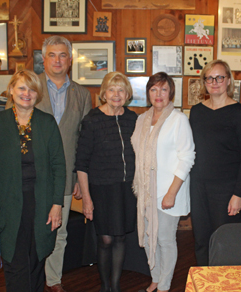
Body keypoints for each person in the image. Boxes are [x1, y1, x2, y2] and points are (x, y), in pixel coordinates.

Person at [0, 70, 66, 291]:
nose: (27, 93)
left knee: (36, 259)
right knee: (14, 260)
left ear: (38, 94)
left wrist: (56, 204)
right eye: (21, 88)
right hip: (7, 203)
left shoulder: (47, 122)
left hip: (40, 202)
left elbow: (58, 166)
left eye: (32, 89)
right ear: (11, 90)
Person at [36, 36, 92, 292]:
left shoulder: (81, 94)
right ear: (44, 58)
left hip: (67, 177)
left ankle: (53, 279)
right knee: (33, 228)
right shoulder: (30, 86)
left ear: (70, 60)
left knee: (59, 231)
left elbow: (84, 140)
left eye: (62, 55)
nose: (57, 60)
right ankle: (33, 276)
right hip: (33, 174)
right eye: (52, 55)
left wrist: (80, 178)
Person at [132, 72, 195, 292]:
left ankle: (164, 286)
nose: (159, 94)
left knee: (165, 240)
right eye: (154, 89)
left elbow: (187, 157)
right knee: (151, 238)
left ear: (171, 93)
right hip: (147, 192)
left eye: (164, 89)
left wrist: (171, 193)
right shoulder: (141, 120)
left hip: (168, 191)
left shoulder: (178, 120)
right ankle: (156, 279)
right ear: (148, 92)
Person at [75, 72, 137, 292]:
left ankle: (116, 286)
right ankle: (105, 286)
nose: (116, 94)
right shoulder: (92, 120)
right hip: (101, 189)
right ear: (103, 93)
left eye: (121, 90)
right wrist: (86, 199)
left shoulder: (133, 119)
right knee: (105, 240)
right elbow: (81, 163)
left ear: (127, 93)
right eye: (111, 89)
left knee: (120, 237)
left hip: (126, 188)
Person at [189, 59, 241, 266]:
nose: (214, 82)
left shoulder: (240, 113)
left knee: (223, 241)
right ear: (204, 82)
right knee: (201, 241)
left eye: (219, 77)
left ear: (228, 81)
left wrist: (238, 192)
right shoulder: (197, 112)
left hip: (226, 188)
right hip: (198, 186)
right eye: (209, 78)